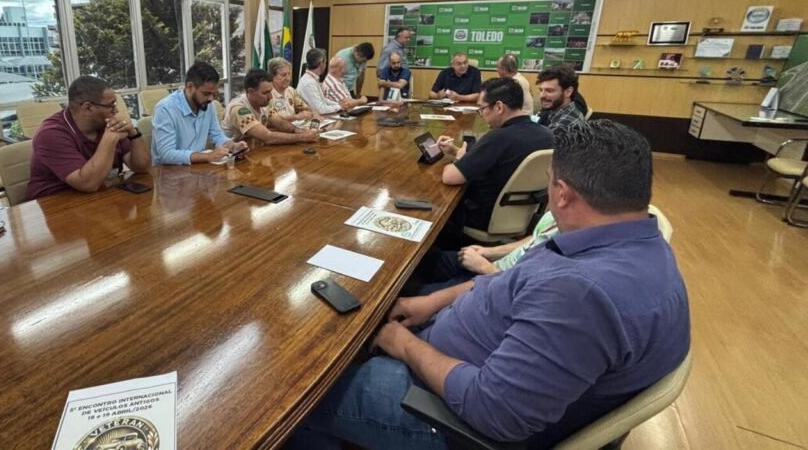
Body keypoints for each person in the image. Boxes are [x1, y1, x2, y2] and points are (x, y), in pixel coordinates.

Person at [292, 120, 691, 449]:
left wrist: (404, 345)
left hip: (445, 419)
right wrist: (431, 303)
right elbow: (512, 282)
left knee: (300, 402)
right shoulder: (623, 239)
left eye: (549, 183)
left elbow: (494, 413)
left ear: (563, 195)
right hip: (462, 353)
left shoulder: (582, 294)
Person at [433, 77, 553, 248]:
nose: (481, 114)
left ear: (499, 107)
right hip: (525, 215)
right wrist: (456, 150)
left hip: (482, 217)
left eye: (482, 108)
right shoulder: (547, 134)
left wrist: (459, 157)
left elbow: (450, 177)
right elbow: (500, 160)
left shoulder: (498, 138)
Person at [26, 76, 150, 200]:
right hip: (55, 201)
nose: (116, 110)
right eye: (111, 105)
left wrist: (134, 134)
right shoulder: (51, 134)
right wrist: (109, 140)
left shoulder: (105, 123)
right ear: (88, 108)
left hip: (100, 195)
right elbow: (88, 184)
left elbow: (141, 167)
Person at [151, 62, 247, 165]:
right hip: (168, 171)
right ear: (190, 87)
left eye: (213, 94)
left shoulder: (208, 105)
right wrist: (207, 156)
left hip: (197, 168)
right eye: (206, 93)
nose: (211, 99)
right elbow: (166, 154)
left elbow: (217, 135)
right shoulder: (165, 109)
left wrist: (232, 146)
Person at [221, 69, 320, 145]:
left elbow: (279, 122)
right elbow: (268, 137)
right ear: (251, 91)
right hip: (232, 157)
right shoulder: (239, 109)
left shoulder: (264, 103)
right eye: (265, 93)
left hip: (253, 148)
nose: (271, 96)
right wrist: (303, 137)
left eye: (270, 91)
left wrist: (298, 131)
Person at [536, 64, 587, 135]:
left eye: (549, 91)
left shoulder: (563, 126)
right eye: (541, 90)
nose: (542, 95)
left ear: (568, 92)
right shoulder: (556, 111)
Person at [298, 48, 343, 115]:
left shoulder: (311, 78)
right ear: (321, 63)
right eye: (325, 62)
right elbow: (320, 110)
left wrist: (338, 104)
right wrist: (339, 107)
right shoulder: (309, 82)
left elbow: (322, 100)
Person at [267, 57, 313, 122]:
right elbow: (271, 122)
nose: (288, 78)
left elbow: (305, 107)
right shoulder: (267, 94)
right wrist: (295, 117)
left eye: (289, 74)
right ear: (272, 76)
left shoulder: (290, 90)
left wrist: (312, 113)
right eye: (283, 75)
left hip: (295, 126)